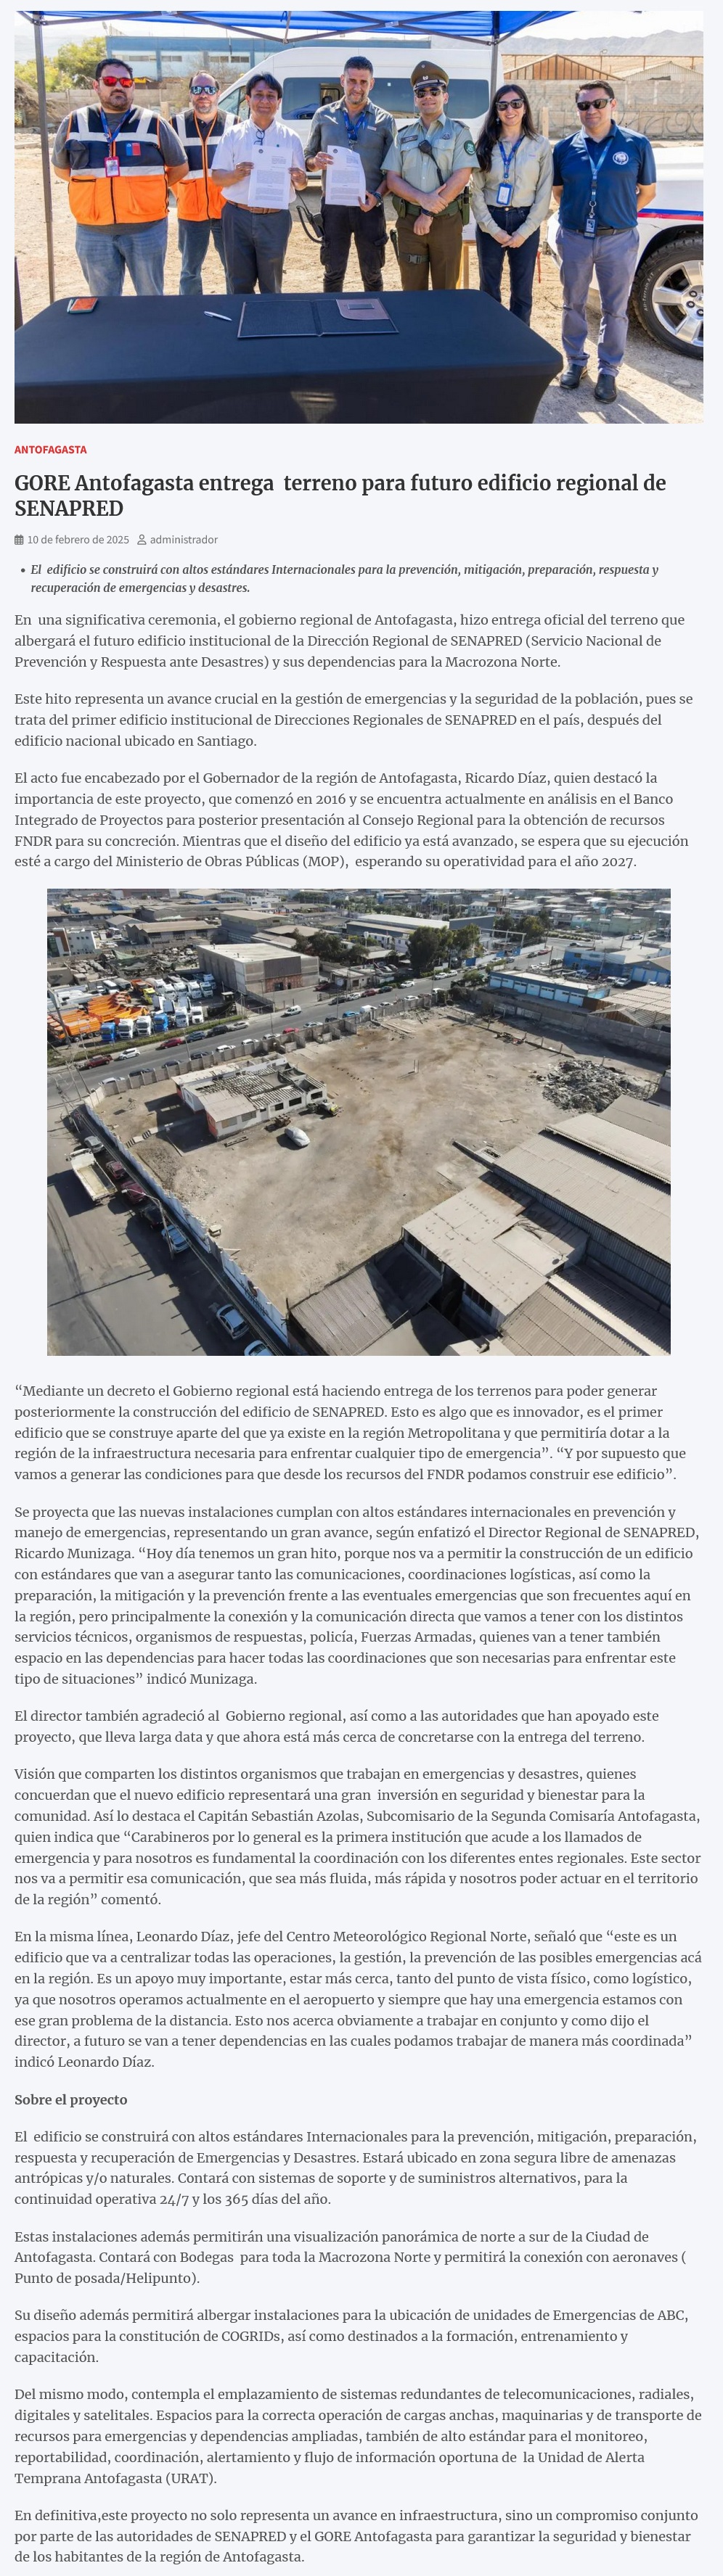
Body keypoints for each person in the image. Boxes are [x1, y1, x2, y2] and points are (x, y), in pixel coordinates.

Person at [552, 81, 656, 402]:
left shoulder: (637, 144)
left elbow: (648, 192)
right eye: (584, 105)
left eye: (598, 103)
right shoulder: (564, 148)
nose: (591, 110)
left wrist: (619, 215)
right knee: (573, 303)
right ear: (578, 110)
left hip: (618, 240)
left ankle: (609, 370)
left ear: (613, 104)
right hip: (575, 239)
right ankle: (575, 361)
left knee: (615, 308)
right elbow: (559, 192)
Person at [52, 57, 188, 297]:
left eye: (125, 82)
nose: (118, 86)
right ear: (97, 86)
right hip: (93, 232)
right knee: (104, 303)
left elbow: (180, 167)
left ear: (132, 86)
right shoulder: (74, 122)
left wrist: (150, 189)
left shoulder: (154, 123)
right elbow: (62, 170)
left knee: (151, 299)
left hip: (147, 230)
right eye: (110, 81)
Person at [382, 64, 478, 292]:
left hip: (446, 222)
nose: (428, 97)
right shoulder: (403, 136)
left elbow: (462, 176)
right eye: (421, 92)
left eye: (434, 91)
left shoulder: (459, 132)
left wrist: (427, 213)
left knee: (446, 291)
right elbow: (393, 179)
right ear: (415, 99)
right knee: (412, 290)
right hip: (409, 222)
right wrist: (422, 199)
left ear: (445, 96)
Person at [305, 57, 393, 297]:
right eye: (352, 81)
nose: (357, 87)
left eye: (363, 82)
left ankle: (375, 317)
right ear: (342, 80)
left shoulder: (385, 121)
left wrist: (377, 197)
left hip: (369, 206)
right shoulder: (323, 116)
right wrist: (315, 162)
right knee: (333, 272)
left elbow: (392, 171)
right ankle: (332, 317)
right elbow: (307, 158)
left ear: (371, 84)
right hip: (334, 206)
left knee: (372, 273)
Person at [213, 72, 307, 296]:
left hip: (274, 218)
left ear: (279, 101)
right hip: (237, 216)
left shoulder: (290, 138)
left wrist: (300, 179)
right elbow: (217, 177)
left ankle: (270, 318)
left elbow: (301, 185)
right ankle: (242, 317)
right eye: (259, 95)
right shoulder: (233, 135)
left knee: (271, 284)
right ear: (248, 99)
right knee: (238, 282)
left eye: (271, 96)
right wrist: (235, 175)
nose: (265, 101)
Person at [471, 83, 552, 329]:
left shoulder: (540, 145)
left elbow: (544, 193)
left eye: (516, 104)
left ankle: (518, 341)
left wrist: (524, 232)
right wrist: (492, 229)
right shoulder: (485, 144)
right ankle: (491, 337)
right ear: (496, 111)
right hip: (492, 221)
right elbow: (476, 190)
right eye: (503, 105)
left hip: (525, 220)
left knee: (522, 292)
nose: (510, 110)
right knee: (489, 288)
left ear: (525, 108)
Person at [172, 73, 235, 295]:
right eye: (197, 90)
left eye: (209, 90)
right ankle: (191, 311)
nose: (203, 95)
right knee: (189, 271)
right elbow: (167, 168)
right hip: (190, 212)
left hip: (227, 210)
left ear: (218, 93)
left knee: (234, 267)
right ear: (190, 94)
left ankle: (236, 308)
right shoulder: (175, 125)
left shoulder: (234, 124)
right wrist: (182, 195)